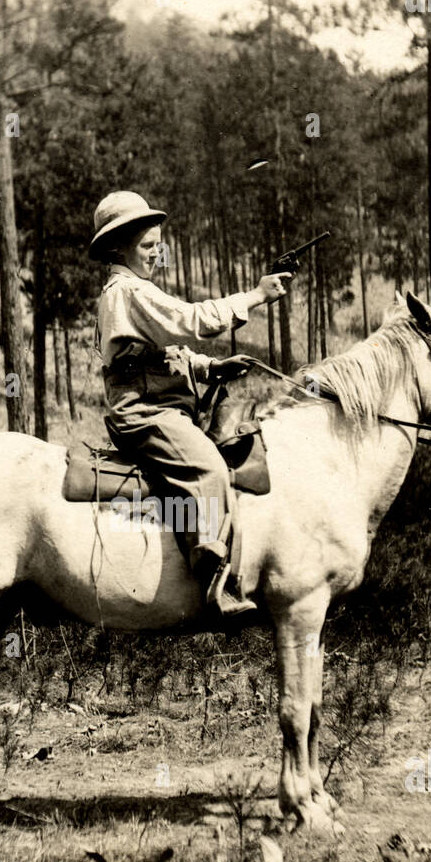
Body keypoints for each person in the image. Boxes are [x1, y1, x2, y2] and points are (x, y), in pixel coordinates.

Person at [90, 190, 290, 618]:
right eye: (146, 246)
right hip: (145, 411)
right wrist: (255, 296)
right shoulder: (127, 291)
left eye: (157, 245)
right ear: (117, 247)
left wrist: (210, 368)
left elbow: (162, 354)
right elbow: (191, 321)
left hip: (159, 403)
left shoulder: (131, 291)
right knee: (210, 467)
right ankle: (213, 577)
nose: (155, 254)